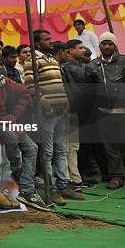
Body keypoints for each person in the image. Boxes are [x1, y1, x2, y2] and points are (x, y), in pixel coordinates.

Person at [24, 30, 84, 204]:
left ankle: (63, 186)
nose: (51, 41)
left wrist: (64, 104)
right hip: (47, 114)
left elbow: (58, 86)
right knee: (48, 152)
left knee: (60, 150)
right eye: (47, 39)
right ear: (37, 43)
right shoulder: (32, 61)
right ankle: (51, 189)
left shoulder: (51, 60)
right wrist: (46, 106)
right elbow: (30, 87)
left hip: (61, 112)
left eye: (50, 38)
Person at [0, 52, 48, 210]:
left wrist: (14, 116)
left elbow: (25, 93)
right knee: (12, 137)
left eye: (0, 64)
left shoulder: (4, 81)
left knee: (32, 147)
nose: (0, 67)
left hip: (6, 122)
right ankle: (17, 170)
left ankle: (26, 189)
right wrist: (7, 121)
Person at [85, 31, 124, 190]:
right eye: (104, 44)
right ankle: (117, 176)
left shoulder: (123, 61)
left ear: (115, 45)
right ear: (100, 45)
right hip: (103, 112)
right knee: (110, 147)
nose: (107, 46)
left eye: (110, 44)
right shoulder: (92, 65)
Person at [60, 39, 92, 190]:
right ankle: (66, 179)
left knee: (73, 146)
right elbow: (68, 89)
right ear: (70, 50)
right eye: (80, 48)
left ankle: (76, 179)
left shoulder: (85, 67)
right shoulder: (64, 68)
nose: (83, 50)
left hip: (79, 109)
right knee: (66, 146)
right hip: (68, 109)